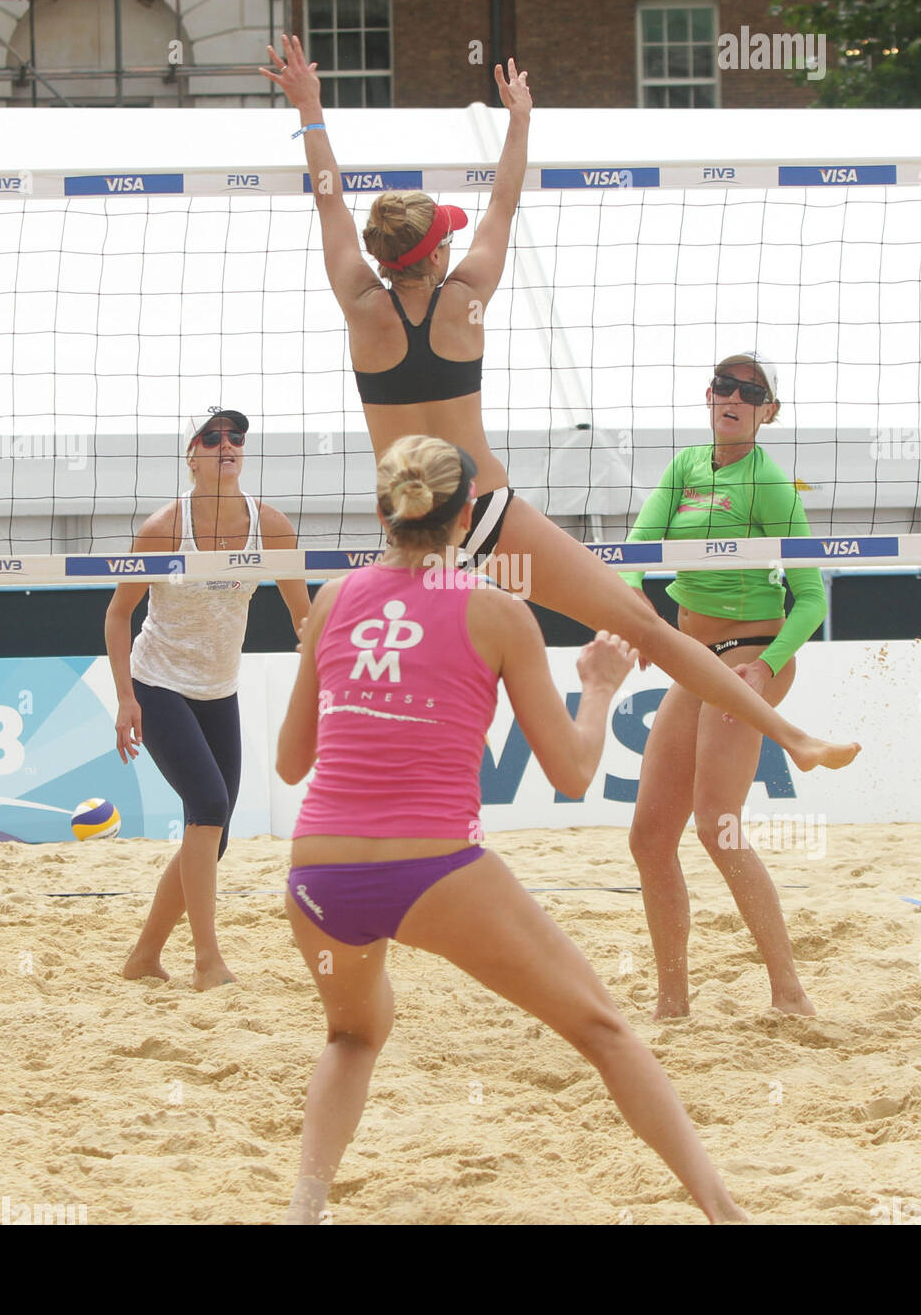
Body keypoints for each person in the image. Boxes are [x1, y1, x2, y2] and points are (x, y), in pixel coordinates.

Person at [260, 34, 858, 774]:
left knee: (394, 672)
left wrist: (310, 110)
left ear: (384, 260)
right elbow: (502, 203)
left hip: (408, 521)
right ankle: (791, 737)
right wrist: (519, 122)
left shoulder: (359, 304)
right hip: (483, 509)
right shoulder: (465, 299)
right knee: (642, 623)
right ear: (436, 255)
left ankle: (353, 805)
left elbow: (330, 206)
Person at [276, 434, 747, 1225]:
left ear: (382, 511)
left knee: (353, 1036)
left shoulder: (330, 600)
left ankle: (305, 1205)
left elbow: (292, 763)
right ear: (468, 516)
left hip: (317, 877)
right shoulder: (497, 610)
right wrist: (597, 689)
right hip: (433, 869)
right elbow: (569, 774)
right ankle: (723, 1214)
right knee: (603, 1030)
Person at [623, 356, 825, 1017]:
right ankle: (671, 1003)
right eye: (723, 386)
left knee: (717, 826)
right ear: (707, 396)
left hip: (751, 651)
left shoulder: (769, 484)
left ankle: (788, 993)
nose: (732, 397)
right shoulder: (685, 466)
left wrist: (768, 666)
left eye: (750, 392)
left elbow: (810, 598)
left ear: (768, 411)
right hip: (690, 653)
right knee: (650, 837)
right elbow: (635, 552)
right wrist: (638, 618)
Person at [106, 411, 310, 990]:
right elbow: (119, 613)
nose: (228, 445)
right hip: (158, 683)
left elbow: (303, 614)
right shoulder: (164, 528)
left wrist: (327, 661)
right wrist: (125, 697)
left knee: (210, 832)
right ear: (191, 455)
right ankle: (207, 962)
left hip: (219, 689)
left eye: (237, 438)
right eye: (213, 437)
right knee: (209, 805)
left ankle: (143, 957)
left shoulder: (270, 525)